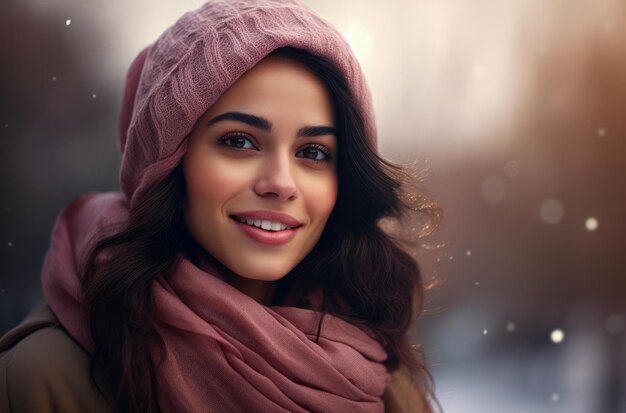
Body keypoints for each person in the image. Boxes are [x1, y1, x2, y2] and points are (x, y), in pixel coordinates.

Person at [0, 0, 441, 411]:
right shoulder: (43, 381)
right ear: (170, 161)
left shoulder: (379, 377)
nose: (281, 184)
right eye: (239, 141)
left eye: (313, 152)